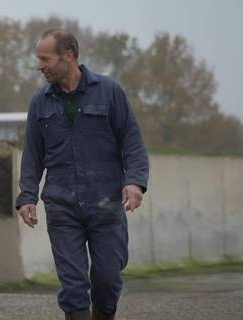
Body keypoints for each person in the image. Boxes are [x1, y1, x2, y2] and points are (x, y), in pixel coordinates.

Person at [16, 30, 149, 320]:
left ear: (69, 55)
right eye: (38, 59)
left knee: (107, 279)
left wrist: (135, 181)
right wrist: (27, 196)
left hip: (105, 203)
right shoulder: (40, 102)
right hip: (62, 206)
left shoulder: (109, 90)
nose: (40, 65)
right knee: (73, 287)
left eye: (45, 58)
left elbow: (132, 140)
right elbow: (32, 156)